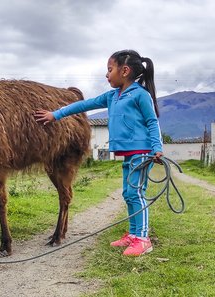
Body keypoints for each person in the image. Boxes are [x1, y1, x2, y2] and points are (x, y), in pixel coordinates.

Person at [34, 49, 163, 256]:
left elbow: (152, 121)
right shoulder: (113, 96)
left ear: (125, 70)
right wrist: (55, 115)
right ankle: (133, 234)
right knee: (128, 194)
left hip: (142, 151)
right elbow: (84, 104)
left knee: (136, 193)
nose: (106, 74)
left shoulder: (140, 95)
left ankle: (143, 239)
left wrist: (157, 148)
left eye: (110, 69)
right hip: (129, 153)